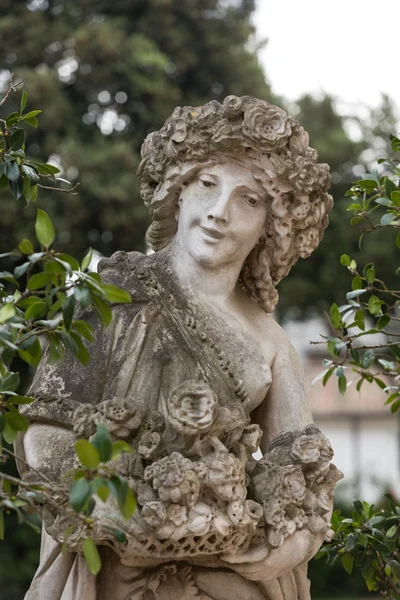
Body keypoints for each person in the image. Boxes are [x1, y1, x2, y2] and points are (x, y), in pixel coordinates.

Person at [17, 96, 340, 600]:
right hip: (115, 576)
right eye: (208, 185)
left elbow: (304, 479)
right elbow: (43, 434)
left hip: (229, 582)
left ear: (272, 229)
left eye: (249, 200)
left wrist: (287, 545)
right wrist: (123, 508)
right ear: (178, 191)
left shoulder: (271, 343)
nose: (219, 213)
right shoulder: (114, 298)